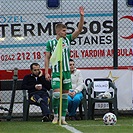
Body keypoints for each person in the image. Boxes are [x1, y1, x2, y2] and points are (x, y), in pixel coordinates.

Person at [45, 6, 84, 124]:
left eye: (66, 30)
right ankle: (55, 116)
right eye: (63, 30)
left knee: (65, 96)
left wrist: (81, 16)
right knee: (56, 94)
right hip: (56, 71)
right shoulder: (50, 42)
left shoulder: (67, 39)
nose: (65, 32)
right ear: (57, 31)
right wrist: (46, 71)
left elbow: (79, 30)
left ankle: (63, 118)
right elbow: (47, 57)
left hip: (66, 71)